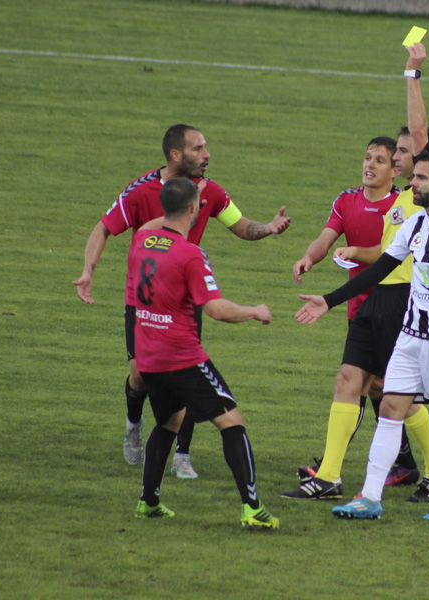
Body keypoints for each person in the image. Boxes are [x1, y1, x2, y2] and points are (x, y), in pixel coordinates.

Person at [73, 124, 290, 477]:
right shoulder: (142, 192)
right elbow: (104, 227)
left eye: (206, 147)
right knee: (141, 375)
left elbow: (240, 225)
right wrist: (88, 271)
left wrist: (268, 227)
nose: (207, 155)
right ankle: (133, 422)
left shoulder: (211, 192)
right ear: (176, 155)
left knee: (184, 371)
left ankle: (183, 455)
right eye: (198, 149)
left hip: (183, 300)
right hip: (143, 300)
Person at [284, 43, 429, 503]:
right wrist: (331, 296)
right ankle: (330, 475)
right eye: (392, 153)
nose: (396, 158)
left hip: (405, 307)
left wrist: (412, 75)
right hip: (374, 301)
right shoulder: (396, 204)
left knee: (397, 395)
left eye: (401, 153)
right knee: (352, 381)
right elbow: (381, 263)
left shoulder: (420, 195)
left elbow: (419, 130)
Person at [297, 150, 429, 521]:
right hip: (410, 335)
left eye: (421, 178)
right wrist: (329, 300)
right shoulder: (415, 224)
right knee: (390, 407)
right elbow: (381, 269)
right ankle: (370, 497)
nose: (413, 183)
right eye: (414, 177)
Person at [129, 178, 279, 529]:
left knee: (169, 422)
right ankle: (252, 508)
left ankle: (148, 501)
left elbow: (156, 228)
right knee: (232, 421)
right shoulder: (190, 254)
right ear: (195, 209)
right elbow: (215, 309)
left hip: (148, 357)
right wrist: (254, 310)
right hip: (183, 358)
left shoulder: (140, 242)